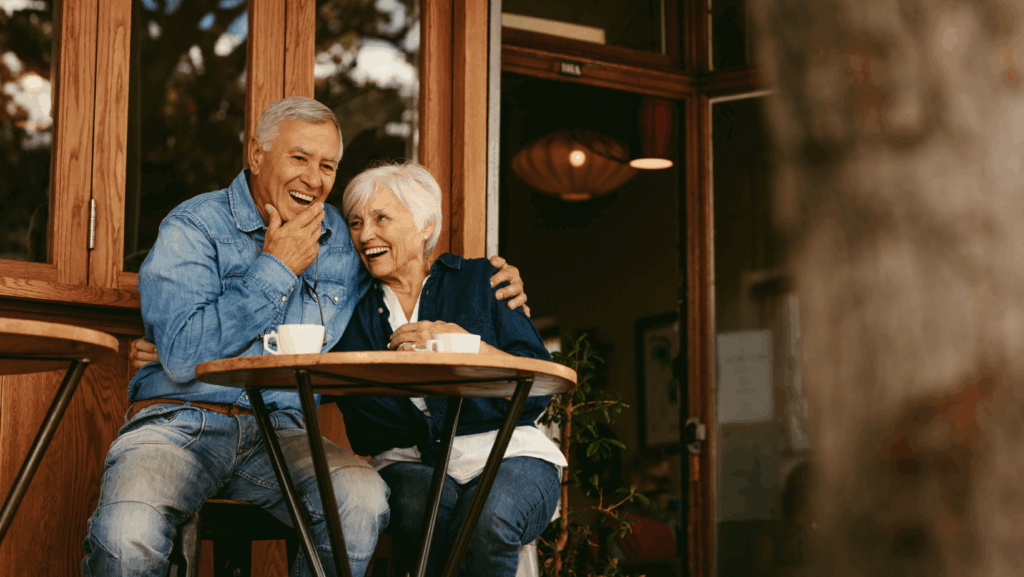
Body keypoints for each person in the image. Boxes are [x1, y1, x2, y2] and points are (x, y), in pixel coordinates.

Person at [93, 96, 528, 577]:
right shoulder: (194, 227)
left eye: (327, 165)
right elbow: (180, 355)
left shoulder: (344, 239)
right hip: (182, 420)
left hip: (283, 432)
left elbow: (404, 269)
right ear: (257, 155)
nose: (315, 178)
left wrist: (489, 281)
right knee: (125, 533)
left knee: (361, 502)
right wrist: (275, 268)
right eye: (299, 158)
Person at [333, 161, 565, 577]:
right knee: (423, 518)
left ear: (425, 226)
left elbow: (539, 385)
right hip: (409, 462)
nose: (365, 234)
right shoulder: (351, 312)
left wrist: (470, 348)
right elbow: (366, 426)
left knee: (488, 520)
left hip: (509, 452)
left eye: (381, 218)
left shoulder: (481, 280)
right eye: (355, 222)